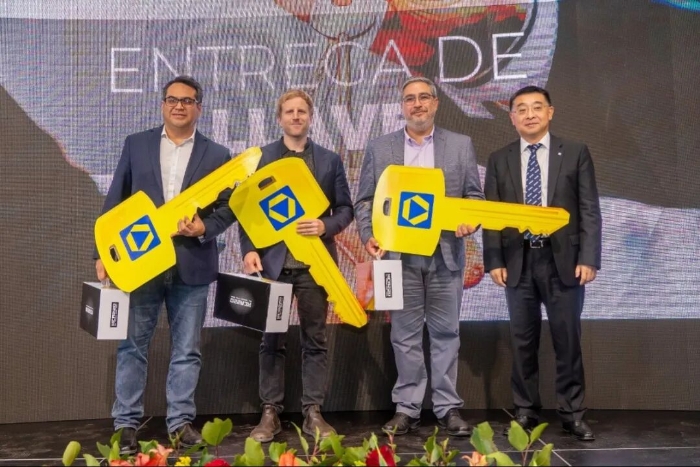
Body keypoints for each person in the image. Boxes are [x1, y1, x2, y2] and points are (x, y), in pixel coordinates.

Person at [95, 76, 236, 454]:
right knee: (132, 347)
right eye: (172, 99)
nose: (179, 106)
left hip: (192, 263)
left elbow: (229, 208)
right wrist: (101, 254)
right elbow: (115, 201)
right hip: (141, 264)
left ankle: (180, 424)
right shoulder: (136, 144)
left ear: (199, 108)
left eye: (187, 101)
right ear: (162, 105)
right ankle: (126, 425)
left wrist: (205, 227)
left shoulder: (217, 154)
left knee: (187, 350)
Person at [354, 77, 484, 437]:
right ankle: (407, 408)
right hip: (398, 258)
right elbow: (364, 200)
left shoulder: (460, 145)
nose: (417, 104)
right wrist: (367, 235)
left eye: (424, 97)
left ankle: (447, 407)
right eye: (410, 99)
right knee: (404, 336)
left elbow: (474, 196)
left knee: (446, 334)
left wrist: (470, 221)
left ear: (436, 103)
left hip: (445, 255)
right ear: (402, 106)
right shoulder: (380, 148)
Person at [482, 85, 602, 441]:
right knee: (522, 340)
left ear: (550, 112)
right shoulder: (499, 159)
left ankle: (572, 413)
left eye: (537, 107)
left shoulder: (575, 152)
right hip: (518, 260)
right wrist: (494, 259)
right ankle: (525, 410)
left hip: (563, 260)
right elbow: (492, 215)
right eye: (521, 109)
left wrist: (589, 257)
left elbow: (589, 209)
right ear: (512, 118)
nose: (529, 114)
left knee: (568, 340)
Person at [239, 89, 354, 442]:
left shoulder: (329, 160)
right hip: (273, 267)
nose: (296, 116)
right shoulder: (262, 159)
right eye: (289, 111)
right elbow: (247, 211)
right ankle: (270, 412)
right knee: (271, 341)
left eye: (301, 111)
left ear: (310, 116)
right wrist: (248, 250)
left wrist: (325, 225)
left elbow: (345, 209)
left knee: (315, 340)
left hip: (313, 267)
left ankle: (313, 412)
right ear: (280, 118)